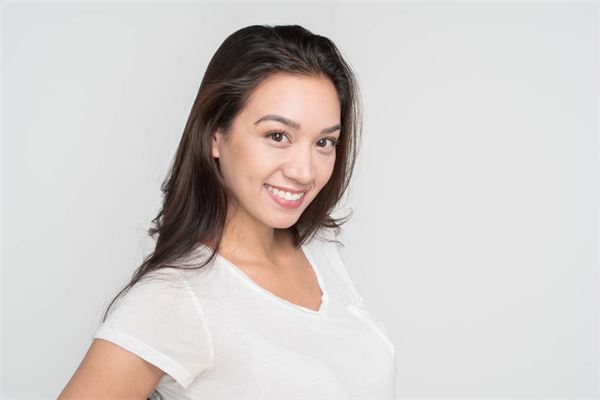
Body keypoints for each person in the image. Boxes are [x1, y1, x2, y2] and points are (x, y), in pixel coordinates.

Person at [58, 24, 396, 399]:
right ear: (215, 136)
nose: (304, 171)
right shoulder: (175, 297)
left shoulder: (320, 250)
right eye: (277, 136)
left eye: (324, 142)